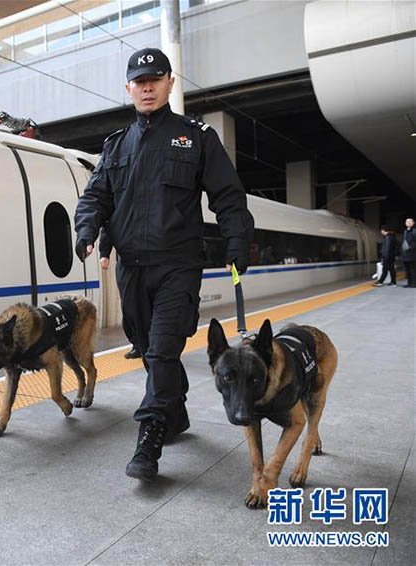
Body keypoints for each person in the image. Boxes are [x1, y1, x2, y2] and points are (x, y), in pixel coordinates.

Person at [74, 48, 254, 480]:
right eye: (139, 80)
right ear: (129, 88)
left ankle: (150, 438)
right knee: (153, 353)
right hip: (131, 269)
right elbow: (96, 196)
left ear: (171, 83)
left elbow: (228, 197)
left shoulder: (196, 137)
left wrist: (238, 241)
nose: (147, 86)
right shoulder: (116, 145)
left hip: (178, 264)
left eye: (156, 78)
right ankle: (176, 412)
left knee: (162, 349)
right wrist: (86, 229)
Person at [98, 225, 141, 359]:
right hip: (128, 261)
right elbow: (109, 224)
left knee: (153, 305)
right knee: (129, 306)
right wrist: (104, 252)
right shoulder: (118, 204)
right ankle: (138, 344)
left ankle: (156, 344)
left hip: (158, 260)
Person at [402, 218, 415, 288]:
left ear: (413, 223)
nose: (408, 222)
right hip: (406, 253)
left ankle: (414, 283)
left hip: (413, 253)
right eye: (407, 221)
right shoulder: (405, 231)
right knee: (407, 269)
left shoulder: (414, 231)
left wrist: (411, 247)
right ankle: (409, 283)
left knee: (413, 269)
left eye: (410, 221)